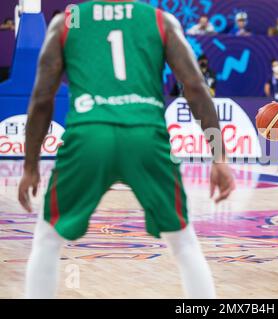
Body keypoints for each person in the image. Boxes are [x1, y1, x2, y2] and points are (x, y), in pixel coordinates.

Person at [18, 1, 235, 299]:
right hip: (145, 135)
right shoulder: (161, 20)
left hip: (89, 135)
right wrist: (219, 157)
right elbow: (195, 86)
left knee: (48, 237)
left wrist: (30, 167)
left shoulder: (68, 22)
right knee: (183, 242)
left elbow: (42, 99)